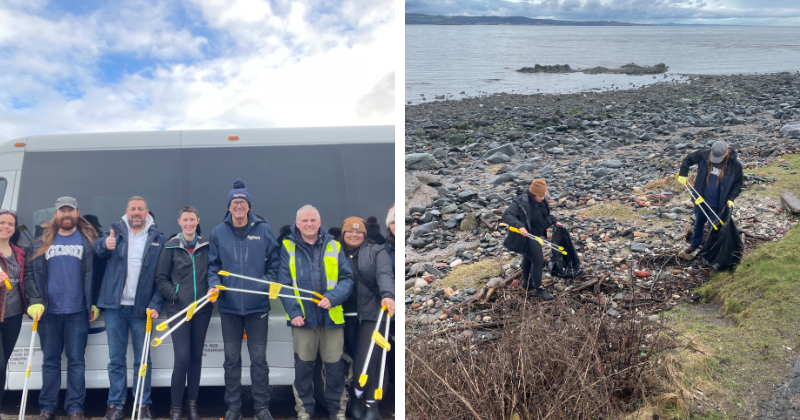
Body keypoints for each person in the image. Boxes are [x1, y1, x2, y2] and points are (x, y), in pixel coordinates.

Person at [207, 179, 280, 420]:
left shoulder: (263, 230)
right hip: (229, 308)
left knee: (259, 360)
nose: (239, 206)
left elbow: (275, 261)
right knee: (231, 360)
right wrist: (214, 285)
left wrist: (266, 282)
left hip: (257, 306)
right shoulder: (218, 232)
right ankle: (233, 408)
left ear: (248, 206)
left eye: (242, 202)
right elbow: (213, 267)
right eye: (235, 202)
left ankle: (262, 408)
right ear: (229, 206)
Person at [23, 197, 99, 420]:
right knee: (50, 361)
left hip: (78, 311)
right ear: (56, 214)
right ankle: (47, 408)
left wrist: (93, 301)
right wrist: (35, 300)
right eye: (62, 211)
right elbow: (29, 275)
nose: (66, 215)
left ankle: (75, 408)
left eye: (70, 210)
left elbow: (98, 272)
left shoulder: (89, 239)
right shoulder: (40, 242)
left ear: (78, 213)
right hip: (48, 313)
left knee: (76, 361)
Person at [278, 205, 354, 420]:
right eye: (305, 221)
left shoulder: (334, 245)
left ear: (319, 223)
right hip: (302, 320)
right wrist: (293, 312)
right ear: (298, 224)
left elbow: (347, 279)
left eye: (313, 220)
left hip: (331, 319)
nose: (309, 224)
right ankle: (304, 413)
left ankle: (337, 413)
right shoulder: (287, 247)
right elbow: (283, 284)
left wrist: (333, 298)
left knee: (334, 371)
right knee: (303, 371)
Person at [94, 196, 165, 420]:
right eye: (133, 209)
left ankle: (142, 405)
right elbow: (98, 249)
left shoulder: (157, 238)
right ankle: (115, 405)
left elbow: (163, 276)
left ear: (146, 212)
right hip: (115, 308)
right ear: (127, 211)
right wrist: (104, 245)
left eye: (140, 209)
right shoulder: (115, 231)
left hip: (141, 310)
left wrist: (155, 304)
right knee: (116, 359)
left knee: (143, 360)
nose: (136, 212)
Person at [155, 207, 213, 420]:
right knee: (182, 358)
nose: (189, 224)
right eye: (185, 220)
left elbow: (214, 271)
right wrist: (175, 296)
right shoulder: (170, 246)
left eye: (192, 220)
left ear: (198, 221)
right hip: (179, 310)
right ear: (179, 221)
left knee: (196, 357)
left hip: (202, 309)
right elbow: (160, 278)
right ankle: (176, 408)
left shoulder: (207, 245)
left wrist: (212, 291)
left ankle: (192, 406)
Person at [340, 217, 394, 420]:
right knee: (359, 362)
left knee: (368, 361)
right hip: (344, 316)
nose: (355, 235)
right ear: (343, 234)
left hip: (372, 313)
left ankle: (365, 403)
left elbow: (384, 274)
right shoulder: (335, 251)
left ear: (365, 234)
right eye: (350, 232)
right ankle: (365, 407)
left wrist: (388, 294)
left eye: (359, 232)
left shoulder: (376, 251)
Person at [677, 140, 744, 258]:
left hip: (718, 204)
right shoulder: (703, 155)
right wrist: (683, 173)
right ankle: (694, 244)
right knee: (698, 223)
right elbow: (688, 159)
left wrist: (731, 198)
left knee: (715, 228)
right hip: (700, 199)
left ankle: (712, 250)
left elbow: (738, 184)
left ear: (726, 153)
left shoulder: (735, 165)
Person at [502, 179, 560, 300]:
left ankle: (527, 284)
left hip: (536, 235)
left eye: (544, 195)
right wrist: (520, 226)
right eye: (540, 196)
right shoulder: (521, 201)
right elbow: (506, 215)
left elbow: (545, 216)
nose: (543, 198)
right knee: (538, 261)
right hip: (525, 236)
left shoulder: (542, 201)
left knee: (528, 258)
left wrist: (555, 221)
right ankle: (538, 290)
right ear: (533, 194)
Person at [0, 210, 25, 411]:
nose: (5, 227)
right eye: (2, 222)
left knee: (3, 366)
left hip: (13, 316)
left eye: (10, 224)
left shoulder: (19, 252)